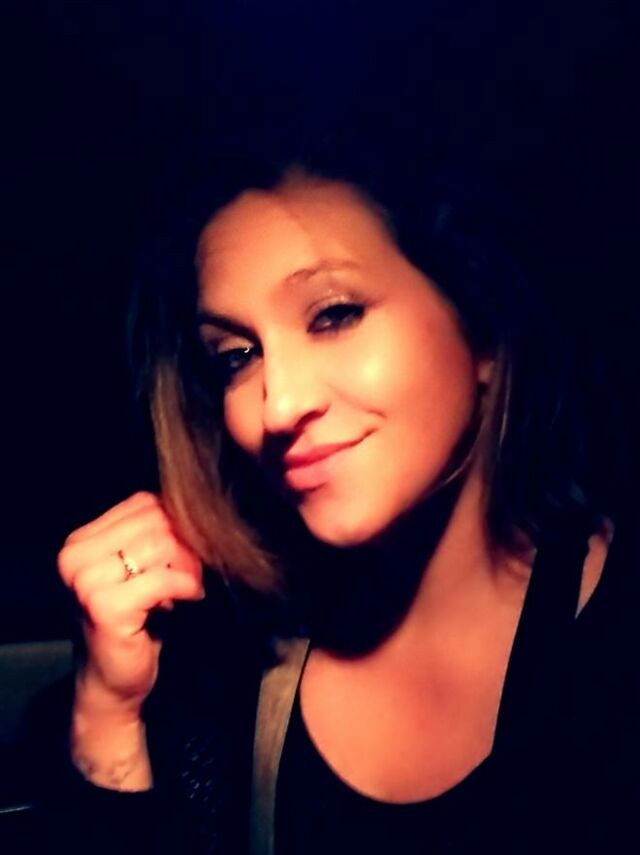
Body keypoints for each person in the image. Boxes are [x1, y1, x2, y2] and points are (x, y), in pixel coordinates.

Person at [47, 143, 637, 854]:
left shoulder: (615, 636)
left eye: (333, 315)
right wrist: (106, 716)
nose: (277, 405)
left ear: (480, 327)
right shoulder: (224, 668)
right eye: (237, 357)